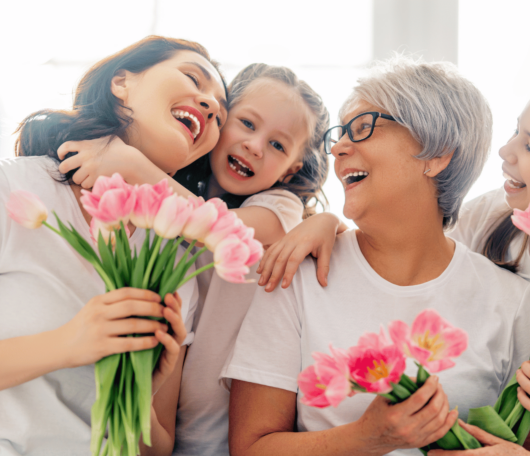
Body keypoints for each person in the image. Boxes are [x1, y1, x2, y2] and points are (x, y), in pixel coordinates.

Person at [258, 73, 530, 456]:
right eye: (517, 132)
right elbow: (411, 235)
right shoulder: (499, 217)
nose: (506, 149)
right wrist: (324, 223)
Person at [223, 55, 530, 456]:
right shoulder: (295, 275)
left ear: (437, 154)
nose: (339, 149)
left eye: (363, 128)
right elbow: (250, 447)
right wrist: (368, 438)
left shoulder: (515, 305)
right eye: (341, 133)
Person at [0, 36, 226, 455]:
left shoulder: (177, 267)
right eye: (193, 78)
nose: (209, 106)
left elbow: (157, 447)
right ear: (121, 82)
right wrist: (67, 344)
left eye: (220, 113)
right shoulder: (3, 188)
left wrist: (136, 392)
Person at [55, 62, 331, 455]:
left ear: (291, 171)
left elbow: (215, 228)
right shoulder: (178, 185)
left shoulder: (278, 207)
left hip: (220, 430)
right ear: (219, 124)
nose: (255, 145)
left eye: (277, 146)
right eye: (248, 125)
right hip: (161, 412)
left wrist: (132, 165)